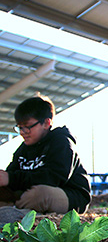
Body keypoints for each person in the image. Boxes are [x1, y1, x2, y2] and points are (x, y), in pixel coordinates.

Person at [0, 95, 91, 224]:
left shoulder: (61, 142)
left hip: (68, 196)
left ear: (46, 123)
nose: (22, 132)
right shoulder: (23, 149)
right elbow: (12, 174)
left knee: (39, 194)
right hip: (28, 195)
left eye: (28, 126)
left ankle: (17, 214)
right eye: (19, 127)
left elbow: (53, 179)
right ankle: (20, 212)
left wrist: (11, 178)